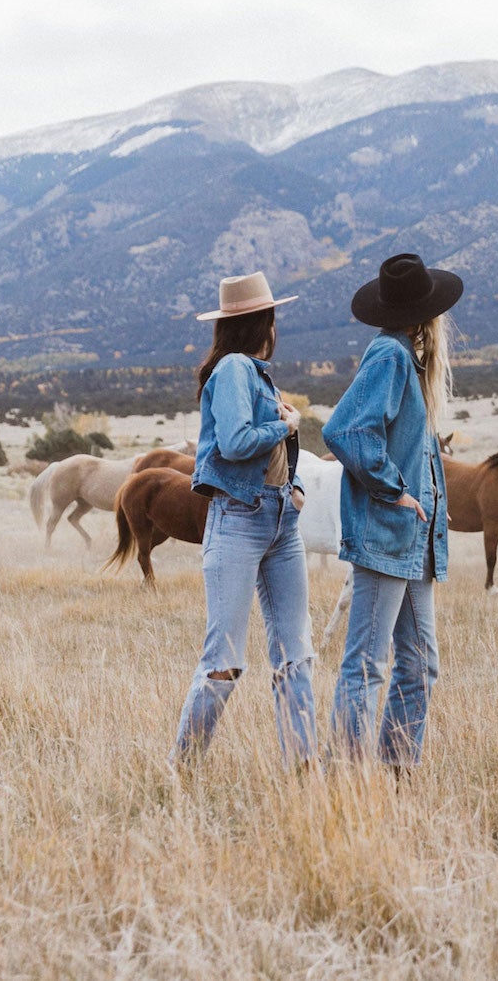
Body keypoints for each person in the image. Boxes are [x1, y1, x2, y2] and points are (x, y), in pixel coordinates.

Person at [323, 252, 462, 772]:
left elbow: (415, 446)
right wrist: (394, 491)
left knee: (419, 665)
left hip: (412, 539)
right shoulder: (390, 358)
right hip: (386, 535)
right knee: (365, 666)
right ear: (427, 312)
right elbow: (346, 431)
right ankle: (346, 777)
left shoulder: (408, 359)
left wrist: (430, 500)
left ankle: (397, 771)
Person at [171, 271, 316, 767]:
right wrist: (286, 424)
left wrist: (292, 492)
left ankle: (303, 769)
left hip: (278, 520)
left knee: (296, 653)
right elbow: (234, 443)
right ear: (264, 321)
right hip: (238, 519)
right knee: (225, 661)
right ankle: (182, 769)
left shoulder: (252, 372)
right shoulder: (234, 368)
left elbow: (261, 446)